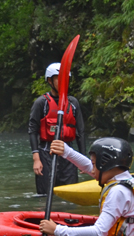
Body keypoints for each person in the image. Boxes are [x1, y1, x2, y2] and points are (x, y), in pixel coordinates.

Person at [39, 137, 134, 236]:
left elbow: (99, 232)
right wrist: (67, 152)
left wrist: (57, 230)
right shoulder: (126, 179)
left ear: (105, 164)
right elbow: (90, 167)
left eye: (94, 164)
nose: (91, 170)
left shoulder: (117, 192)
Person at [28, 63, 86, 195]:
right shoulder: (41, 103)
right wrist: (36, 159)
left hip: (68, 153)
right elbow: (32, 130)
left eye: (66, 79)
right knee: (46, 195)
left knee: (71, 194)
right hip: (46, 152)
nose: (64, 83)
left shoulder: (73, 103)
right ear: (50, 81)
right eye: (59, 79)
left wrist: (83, 159)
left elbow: (80, 132)